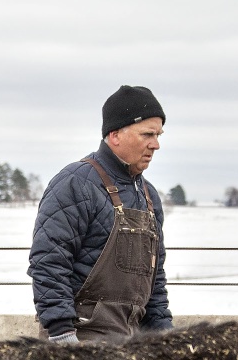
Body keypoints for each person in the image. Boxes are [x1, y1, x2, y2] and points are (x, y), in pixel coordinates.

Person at [29, 85, 174, 342]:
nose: (156, 144)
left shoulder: (149, 196)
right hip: (82, 340)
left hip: (131, 343)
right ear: (115, 135)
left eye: (158, 135)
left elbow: (155, 281)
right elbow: (49, 263)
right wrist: (62, 334)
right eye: (147, 134)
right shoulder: (76, 183)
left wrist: (163, 335)